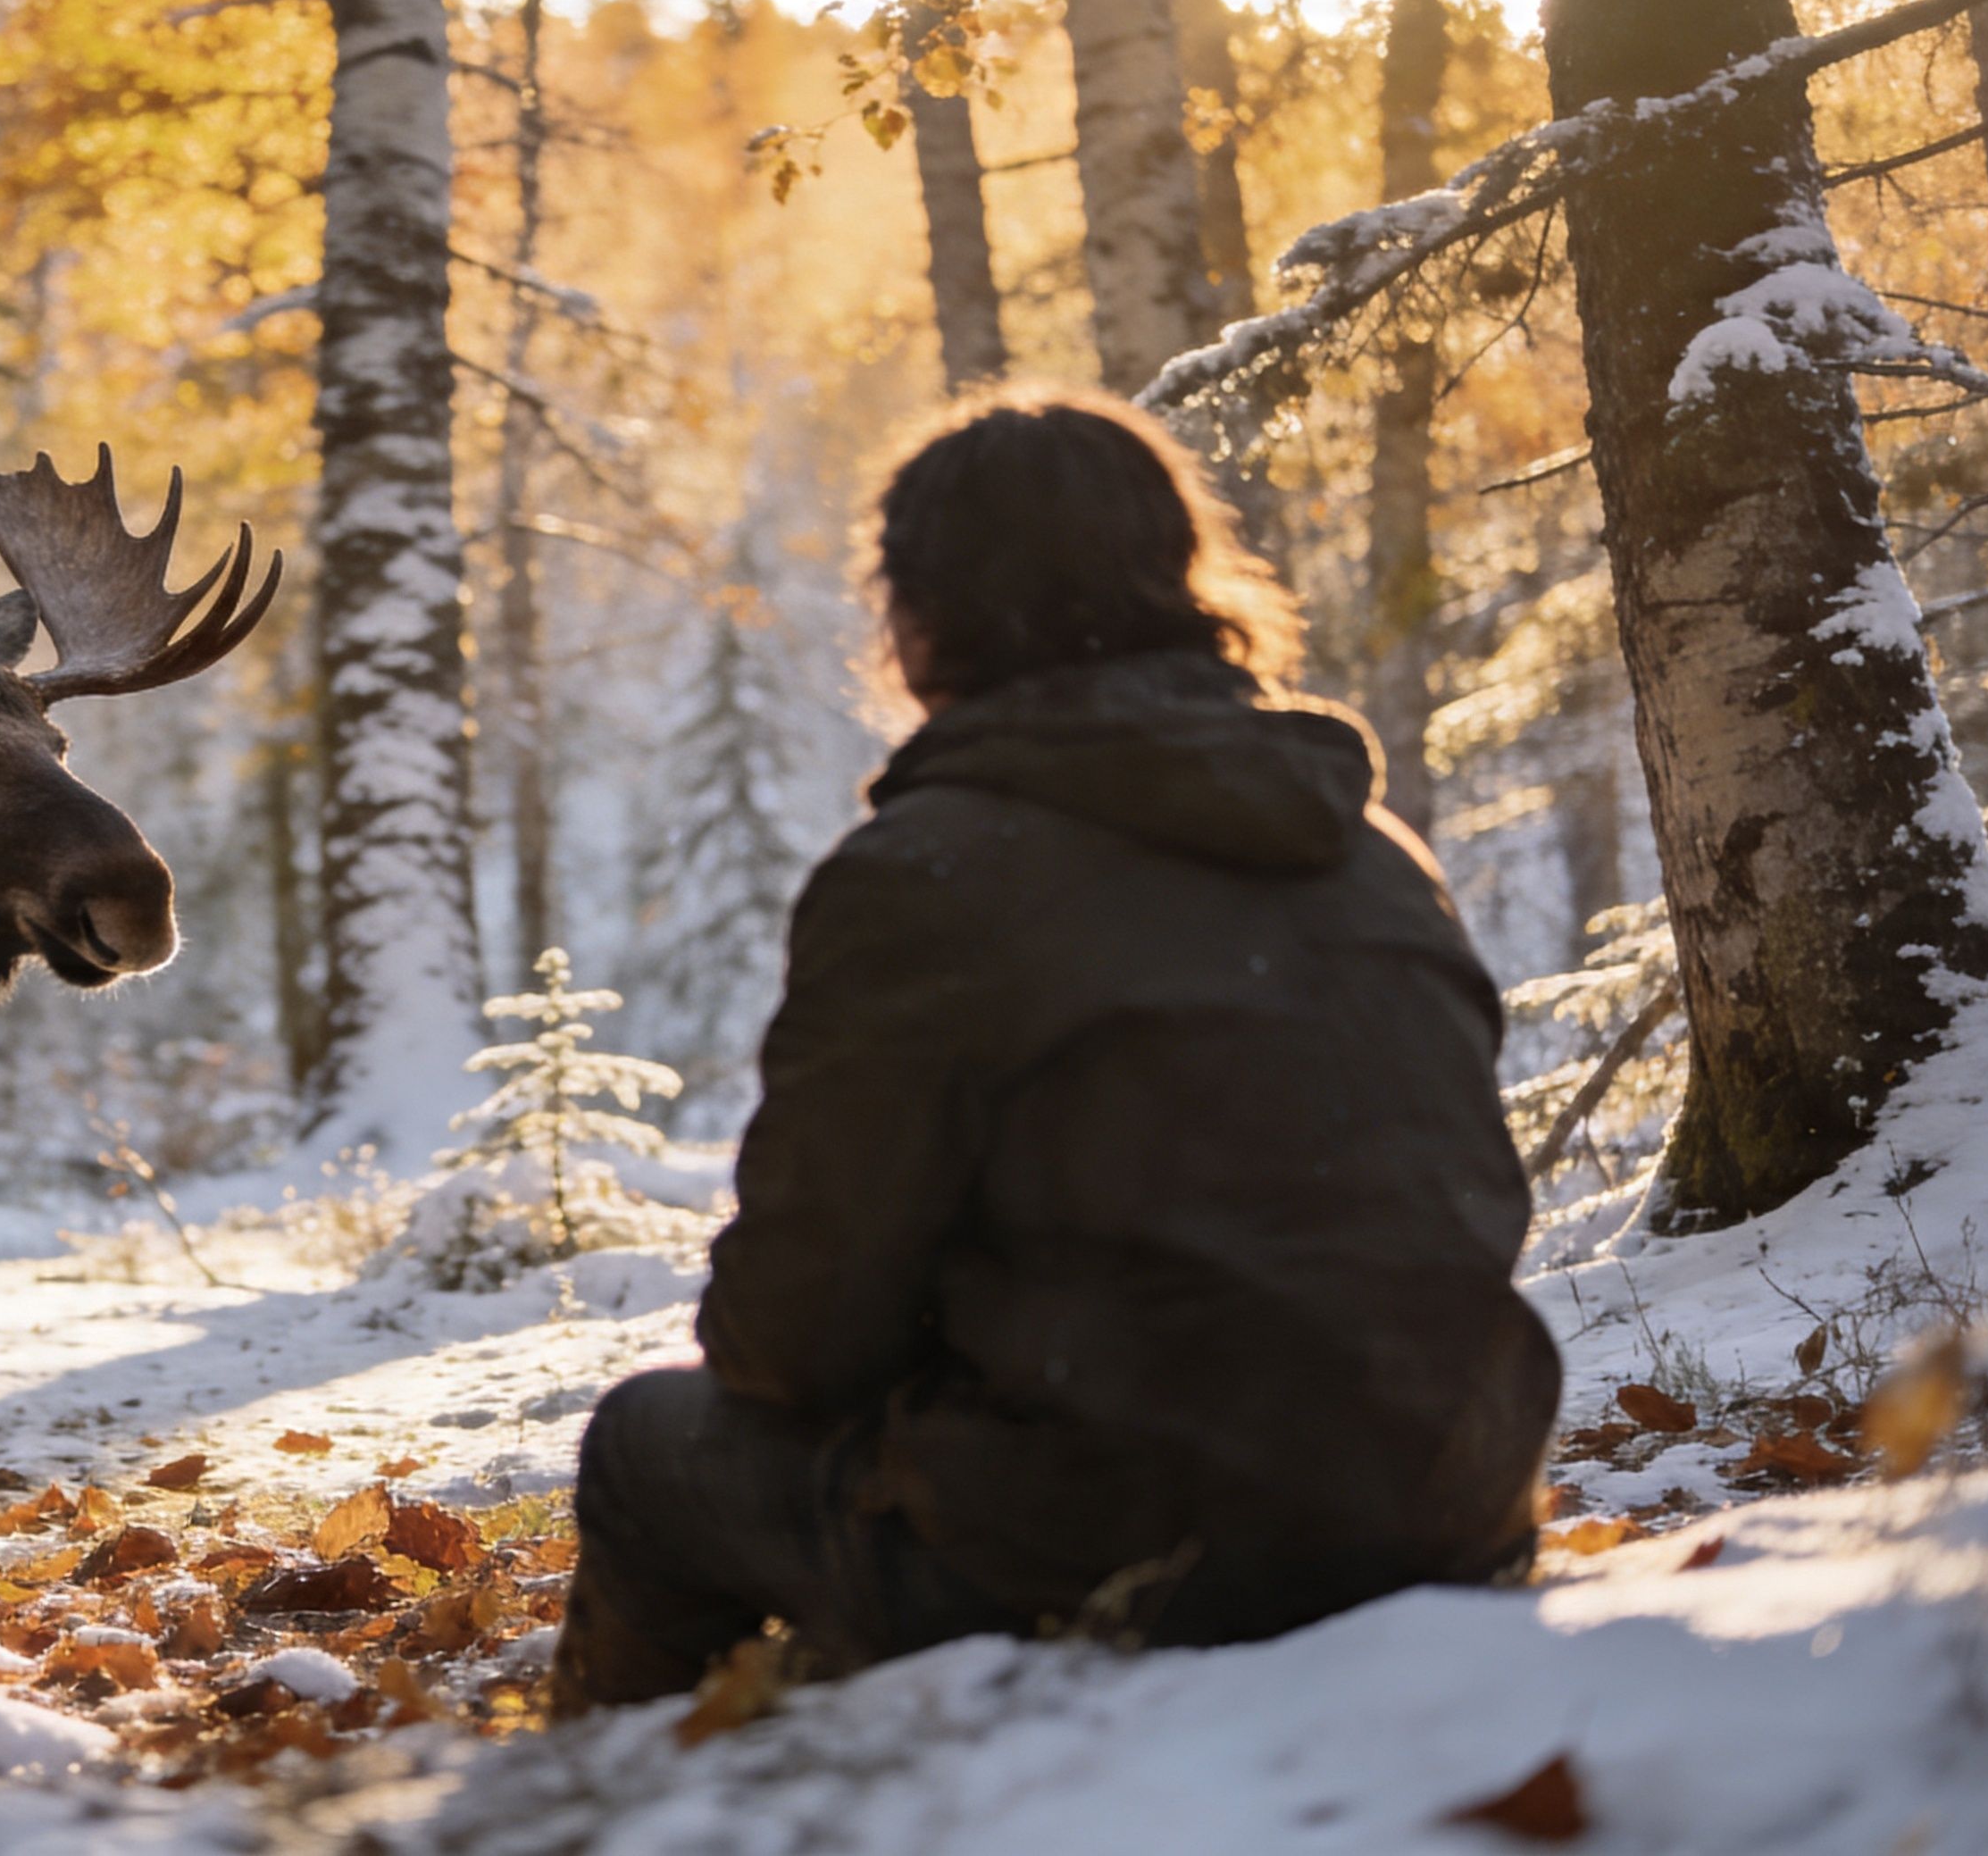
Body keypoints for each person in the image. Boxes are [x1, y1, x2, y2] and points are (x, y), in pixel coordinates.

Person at [552, 391, 1560, 1713]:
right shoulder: (1372, 855)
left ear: (916, 623)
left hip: (1120, 1548)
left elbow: (787, 1338)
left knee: (644, 1445)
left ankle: (602, 1808)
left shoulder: (923, 877)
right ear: (1183, 580)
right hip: (1451, 1511)